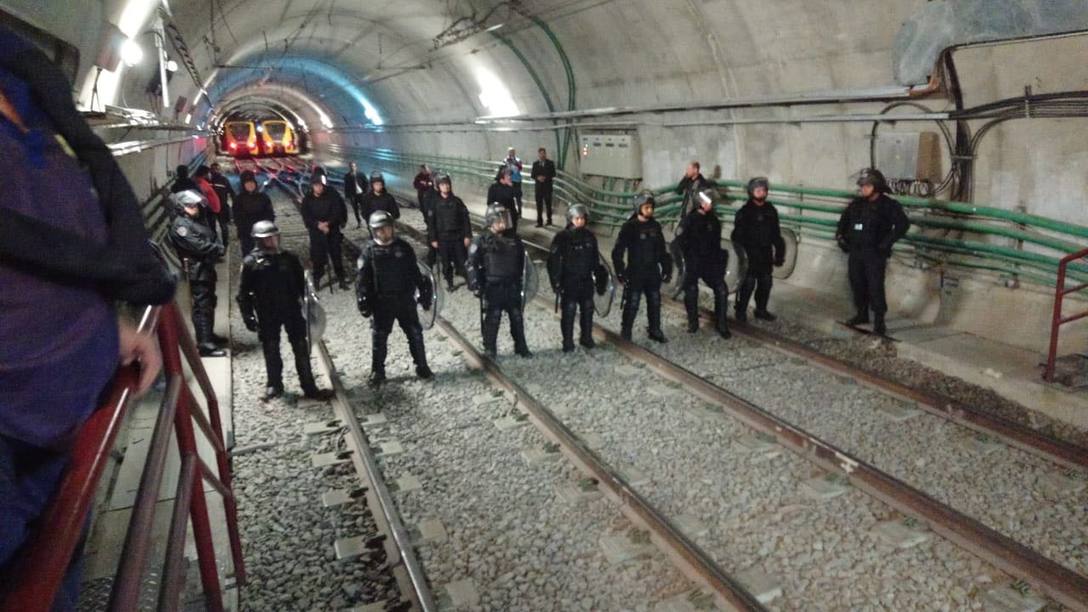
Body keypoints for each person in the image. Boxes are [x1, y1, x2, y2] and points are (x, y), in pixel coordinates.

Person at [0, 29, 173, 609]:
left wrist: (108, 325)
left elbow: (47, 242)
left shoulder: (28, 99)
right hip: (10, 424)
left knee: (52, 571)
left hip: (54, 419)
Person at [237, 221, 333, 401]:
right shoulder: (251, 263)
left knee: (301, 347)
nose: (272, 241)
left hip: (291, 309)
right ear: (259, 241)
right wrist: (248, 315)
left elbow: (302, 286)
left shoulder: (289, 258)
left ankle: (308, 385)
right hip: (267, 312)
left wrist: (309, 306)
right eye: (268, 239)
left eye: (274, 237)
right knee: (271, 349)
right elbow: (243, 293)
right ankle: (274, 384)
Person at [356, 211, 435, 387]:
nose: (384, 232)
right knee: (380, 337)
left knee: (414, 333)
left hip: (405, 299)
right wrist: (363, 299)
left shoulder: (404, 248)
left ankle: (422, 366)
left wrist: (424, 290)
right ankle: (377, 370)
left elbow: (414, 272)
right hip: (382, 302)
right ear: (374, 231)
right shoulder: (369, 252)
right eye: (380, 230)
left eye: (387, 229)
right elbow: (362, 280)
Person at [835, 168, 911, 335]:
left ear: (876, 187)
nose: (862, 189)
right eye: (862, 186)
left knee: (875, 286)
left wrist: (886, 243)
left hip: (874, 254)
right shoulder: (856, 204)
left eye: (866, 186)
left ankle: (879, 321)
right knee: (857, 283)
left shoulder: (887, 205)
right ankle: (862, 314)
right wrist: (841, 238)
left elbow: (902, 225)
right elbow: (843, 222)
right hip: (856, 252)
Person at [467, 205, 532, 359]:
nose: (504, 223)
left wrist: (524, 281)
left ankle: (521, 346)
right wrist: (475, 284)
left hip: (512, 284)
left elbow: (523, 262)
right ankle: (490, 348)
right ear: (491, 221)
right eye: (501, 219)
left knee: (516, 316)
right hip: (493, 286)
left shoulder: (514, 239)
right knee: (493, 317)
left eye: (505, 219)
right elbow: (471, 263)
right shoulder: (482, 240)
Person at [168, 190, 227, 356]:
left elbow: (209, 236)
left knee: (209, 303)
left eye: (194, 205)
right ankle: (205, 344)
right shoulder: (181, 226)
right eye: (189, 205)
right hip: (197, 271)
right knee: (202, 306)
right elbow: (198, 246)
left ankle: (208, 335)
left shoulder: (192, 221)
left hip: (205, 269)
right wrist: (217, 249)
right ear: (181, 207)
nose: (194, 207)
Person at [612, 191, 672, 343]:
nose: (649, 210)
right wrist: (620, 271)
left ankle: (655, 329)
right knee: (632, 302)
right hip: (636, 271)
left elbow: (661, 250)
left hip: (652, 271)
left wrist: (666, 268)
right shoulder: (629, 227)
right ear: (638, 208)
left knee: (655, 300)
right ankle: (626, 331)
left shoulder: (655, 226)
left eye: (651, 207)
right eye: (646, 207)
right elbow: (618, 251)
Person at [547, 204, 608, 352]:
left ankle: (586, 337)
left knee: (588, 308)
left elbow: (595, 259)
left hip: (585, 280)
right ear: (570, 219)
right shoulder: (562, 237)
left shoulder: (589, 237)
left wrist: (600, 277)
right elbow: (553, 261)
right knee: (569, 310)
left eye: (582, 219)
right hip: (569, 281)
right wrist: (556, 281)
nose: (580, 221)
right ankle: (567, 341)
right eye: (577, 218)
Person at [677, 189, 730, 338]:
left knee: (721, 289)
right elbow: (679, 243)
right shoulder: (689, 221)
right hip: (692, 262)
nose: (711, 204)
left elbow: (717, 245)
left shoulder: (713, 221)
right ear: (699, 203)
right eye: (708, 202)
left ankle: (721, 324)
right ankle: (693, 322)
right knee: (691, 290)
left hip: (709, 264)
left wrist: (719, 265)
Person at [731, 177, 786, 322]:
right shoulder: (744, 212)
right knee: (748, 284)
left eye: (764, 190)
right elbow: (736, 237)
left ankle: (761, 310)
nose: (761, 193)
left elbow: (776, 234)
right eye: (758, 190)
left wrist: (780, 253)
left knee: (766, 283)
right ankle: (741, 310)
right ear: (751, 192)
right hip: (750, 255)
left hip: (765, 255)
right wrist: (741, 257)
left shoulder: (771, 210)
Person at [301, 173, 349, 290]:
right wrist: (318, 225)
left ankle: (341, 279)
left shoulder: (331, 196)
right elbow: (306, 216)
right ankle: (317, 280)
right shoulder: (307, 199)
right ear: (312, 186)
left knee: (336, 255)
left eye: (320, 185)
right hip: (316, 233)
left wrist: (328, 223)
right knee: (318, 257)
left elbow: (337, 211)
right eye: (316, 185)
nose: (319, 188)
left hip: (332, 230)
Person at [427, 172, 472, 292]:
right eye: (442, 185)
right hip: (443, 238)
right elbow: (431, 223)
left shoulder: (457, 202)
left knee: (463, 260)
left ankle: (470, 281)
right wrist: (433, 239)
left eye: (447, 184)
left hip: (457, 237)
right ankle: (450, 282)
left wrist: (467, 235)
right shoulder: (434, 203)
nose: (446, 187)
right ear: (438, 187)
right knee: (446, 263)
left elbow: (465, 219)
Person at [233, 170, 275, 258]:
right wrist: (245, 229)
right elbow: (237, 217)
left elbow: (270, 213)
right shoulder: (238, 199)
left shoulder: (263, 197)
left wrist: (266, 226)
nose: (250, 185)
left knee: (265, 254)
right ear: (243, 185)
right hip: (247, 233)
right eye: (247, 183)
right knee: (249, 254)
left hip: (263, 232)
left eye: (252, 183)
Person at [209, 163, 235, 253]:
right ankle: (220, 245)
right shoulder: (220, 180)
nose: (215, 171)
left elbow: (231, 192)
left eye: (216, 169)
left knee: (220, 226)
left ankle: (223, 244)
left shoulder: (213, 180)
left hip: (219, 207)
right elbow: (231, 192)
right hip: (215, 207)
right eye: (214, 169)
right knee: (218, 226)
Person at [487, 166, 521, 232]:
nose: (510, 177)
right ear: (502, 177)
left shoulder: (511, 186)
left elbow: (518, 194)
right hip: (499, 218)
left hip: (511, 217)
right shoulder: (494, 187)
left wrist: (511, 186)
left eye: (510, 175)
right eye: (508, 175)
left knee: (511, 237)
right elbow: (489, 203)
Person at [531, 147, 556, 227]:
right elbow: (532, 175)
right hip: (538, 188)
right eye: (541, 154)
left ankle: (549, 220)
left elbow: (553, 174)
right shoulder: (535, 164)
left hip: (547, 187)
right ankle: (539, 221)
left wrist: (545, 177)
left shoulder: (550, 163)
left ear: (545, 154)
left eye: (543, 153)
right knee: (539, 205)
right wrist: (538, 177)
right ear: (538, 154)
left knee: (548, 204)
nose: (542, 155)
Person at [343, 161, 365, 228]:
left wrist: (365, 192)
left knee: (364, 208)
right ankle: (359, 222)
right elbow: (346, 186)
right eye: (351, 166)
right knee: (355, 209)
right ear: (349, 167)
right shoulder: (347, 176)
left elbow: (366, 182)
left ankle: (367, 220)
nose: (353, 168)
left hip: (361, 194)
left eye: (354, 166)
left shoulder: (361, 174)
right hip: (353, 195)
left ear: (356, 167)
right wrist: (347, 196)